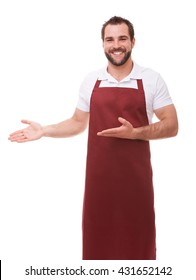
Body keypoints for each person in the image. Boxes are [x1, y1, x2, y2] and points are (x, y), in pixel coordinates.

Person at [9, 16, 178, 260]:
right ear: (103, 44)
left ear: (133, 41)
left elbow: (171, 125)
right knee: (97, 250)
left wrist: (135, 133)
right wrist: (45, 130)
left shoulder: (151, 79)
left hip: (136, 185)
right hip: (98, 183)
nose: (116, 45)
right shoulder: (92, 80)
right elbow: (78, 122)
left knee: (138, 248)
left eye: (122, 38)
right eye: (110, 39)